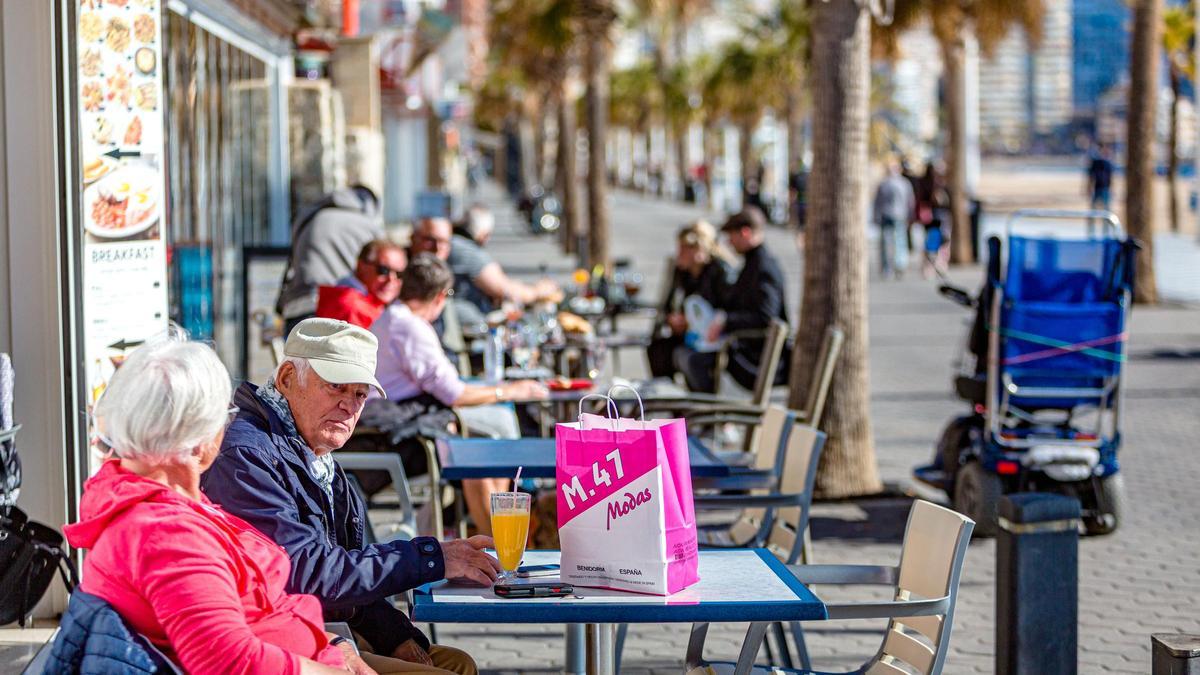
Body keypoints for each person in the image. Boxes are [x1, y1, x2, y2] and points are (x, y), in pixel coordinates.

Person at [202, 318, 499, 674]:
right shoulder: (247, 454)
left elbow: (345, 570)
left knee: (457, 662)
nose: (349, 405)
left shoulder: (316, 456)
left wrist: (394, 634)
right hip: (281, 640)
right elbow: (304, 573)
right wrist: (431, 558)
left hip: (327, 625)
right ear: (285, 380)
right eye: (335, 387)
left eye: (359, 394)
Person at [65, 336, 370, 674]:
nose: (228, 426)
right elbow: (228, 662)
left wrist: (330, 644)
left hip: (322, 647)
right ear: (199, 441)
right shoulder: (167, 534)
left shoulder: (165, 504)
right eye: (224, 416)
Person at [368, 255, 548, 535]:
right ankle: (497, 539)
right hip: (395, 437)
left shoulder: (391, 318)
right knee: (485, 445)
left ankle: (496, 536)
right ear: (440, 296)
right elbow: (455, 395)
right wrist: (510, 391)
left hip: (387, 427)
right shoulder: (411, 327)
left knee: (485, 438)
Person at [675, 207, 789, 393]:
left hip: (755, 357)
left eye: (731, 236)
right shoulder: (753, 264)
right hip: (745, 348)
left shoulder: (764, 267)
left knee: (692, 360)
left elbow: (766, 317)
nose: (728, 242)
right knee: (680, 353)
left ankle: (710, 416)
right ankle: (704, 415)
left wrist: (726, 321)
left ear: (745, 232)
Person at [411, 216, 560, 328]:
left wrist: (538, 291)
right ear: (413, 239)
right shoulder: (402, 263)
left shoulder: (459, 252)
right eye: (429, 240)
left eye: (444, 241)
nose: (437, 247)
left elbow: (504, 288)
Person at [277, 185, 385, 335]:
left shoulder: (310, 217)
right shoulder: (367, 226)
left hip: (298, 305)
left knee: (295, 357)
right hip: (337, 309)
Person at [646, 221, 734, 379]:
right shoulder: (682, 272)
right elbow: (669, 304)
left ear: (699, 250)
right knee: (657, 348)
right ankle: (668, 395)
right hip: (690, 332)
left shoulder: (720, 271)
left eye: (684, 249)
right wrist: (672, 318)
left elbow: (726, 308)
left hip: (712, 337)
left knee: (688, 357)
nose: (679, 253)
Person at [315, 238, 407, 329]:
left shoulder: (353, 298)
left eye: (399, 274)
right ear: (361, 266)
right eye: (384, 270)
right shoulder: (352, 306)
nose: (391, 280)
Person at [873, 159, 915, 279]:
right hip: (889, 216)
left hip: (898, 216)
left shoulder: (902, 183)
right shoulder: (886, 183)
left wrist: (910, 215)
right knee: (890, 242)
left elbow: (909, 201)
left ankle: (897, 266)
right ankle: (891, 267)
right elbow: (878, 202)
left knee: (897, 241)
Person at [1087, 143, 1115, 212]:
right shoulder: (1095, 163)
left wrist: (1112, 188)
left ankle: (1106, 222)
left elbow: (1111, 176)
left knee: (1106, 208)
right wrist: (1089, 187)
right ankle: (1091, 222)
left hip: (1106, 188)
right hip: (1097, 188)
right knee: (1093, 207)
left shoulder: (1108, 163)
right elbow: (1091, 176)